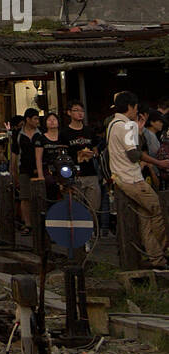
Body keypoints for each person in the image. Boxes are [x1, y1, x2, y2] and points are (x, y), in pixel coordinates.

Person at [106, 91, 169, 269]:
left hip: (121, 177)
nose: (137, 111)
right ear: (130, 107)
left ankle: (157, 259)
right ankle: (163, 249)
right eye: (135, 107)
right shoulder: (125, 125)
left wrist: (139, 130)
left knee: (146, 218)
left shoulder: (114, 124)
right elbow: (133, 154)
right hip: (132, 178)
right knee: (158, 209)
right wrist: (159, 163)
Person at [61, 101, 101, 214]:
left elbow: (96, 148)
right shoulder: (64, 133)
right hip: (75, 175)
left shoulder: (89, 131)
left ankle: (92, 230)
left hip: (91, 173)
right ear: (69, 113)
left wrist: (94, 152)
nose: (80, 113)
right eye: (76, 110)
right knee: (75, 209)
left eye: (82, 111)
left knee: (94, 208)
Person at [15, 108, 43, 234]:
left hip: (39, 169)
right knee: (25, 197)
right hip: (24, 169)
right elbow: (15, 155)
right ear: (28, 119)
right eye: (35, 118)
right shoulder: (19, 135)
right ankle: (28, 223)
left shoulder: (40, 134)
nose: (37, 121)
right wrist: (14, 172)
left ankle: (39, 223)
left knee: (39, 197)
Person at [35, 111, 69, 200]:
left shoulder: (63, 137)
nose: (52, 121)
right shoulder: (41, 138)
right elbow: (38, 158)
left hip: (64, 168)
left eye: (54, 119)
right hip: (48, 170)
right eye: (49, 120)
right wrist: (40, 175)